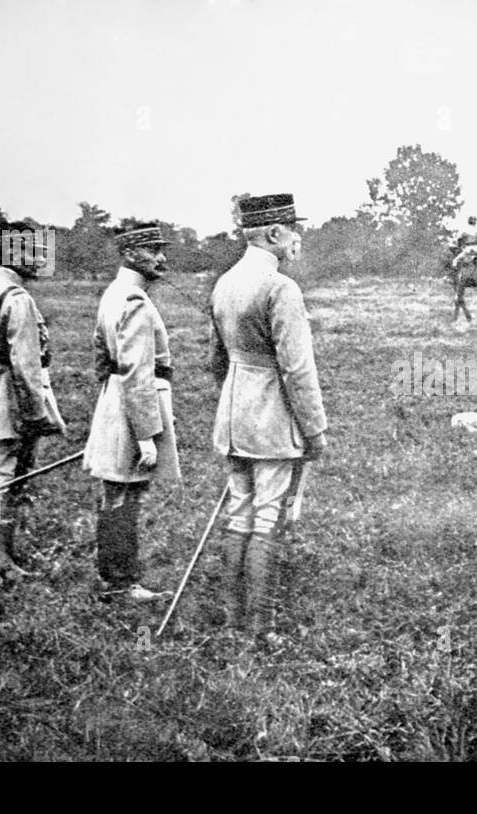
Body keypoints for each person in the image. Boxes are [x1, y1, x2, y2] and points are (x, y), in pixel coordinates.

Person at [210, 193, 328, 643]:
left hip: (234, 415)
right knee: (268, 519)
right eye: (293, 230)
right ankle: (261, 630)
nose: (297, 238)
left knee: (239, 514)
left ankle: (231, 622)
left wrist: (235, 401)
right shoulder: (281, 287)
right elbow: (298, 370)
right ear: (275, 234)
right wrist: (315, 429)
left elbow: (216, 360)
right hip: (272, 418)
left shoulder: (223, 283)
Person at [82, 222, 181, 602]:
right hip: (131, 405)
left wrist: (109, 404)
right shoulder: (135, 300)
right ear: (129, 254)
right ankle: (121, 583)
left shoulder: (114, 293)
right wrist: (145, 434)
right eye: (153, 250)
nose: (162, 258)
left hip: (114, 400)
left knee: (116, 492)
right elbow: (137, 370)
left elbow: (99, 358)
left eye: (161, 249)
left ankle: (115, 579)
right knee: (125, 494)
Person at [0, 222, 65, 578]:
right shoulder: (18, 299)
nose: (41, 259)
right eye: (34, 251)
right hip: (10, 396)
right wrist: (37, 414)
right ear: (12, 253)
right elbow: (26, 366)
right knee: (6, 479)